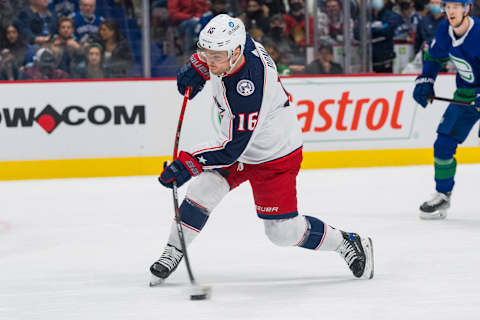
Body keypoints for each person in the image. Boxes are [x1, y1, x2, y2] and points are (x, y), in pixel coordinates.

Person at [149, 14, 374, 285]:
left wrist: (187, 163)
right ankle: (175, 248)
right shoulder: (236, 41)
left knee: (282, 232)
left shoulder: (249, 89)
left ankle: (346, 242)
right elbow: (229, 29)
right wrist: (200, 61)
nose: (211, 62)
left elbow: (230, 149)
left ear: (235, 54)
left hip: (273, 155)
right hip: (239, 143)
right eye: (207, 53)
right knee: (203, 190)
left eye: (215, 57)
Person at [412, 0, 479, 219]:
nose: (450, 11)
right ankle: (442, 195)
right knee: (443, 145)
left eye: (456, 7)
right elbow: (434, 57)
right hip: (465, 97)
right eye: (448, 6)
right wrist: (426, 79)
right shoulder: (444, 30)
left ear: (466, 9)